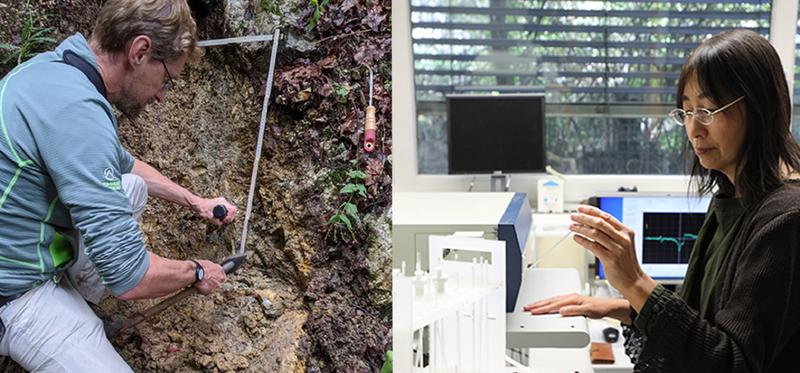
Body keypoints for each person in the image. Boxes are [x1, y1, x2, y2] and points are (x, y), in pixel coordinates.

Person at [524, 29, 800, 372]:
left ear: (760, 109)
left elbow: (730, 362)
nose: (694, 129)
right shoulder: (732, 197)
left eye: (708, 110)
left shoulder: (785, 219)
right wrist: (619, 306)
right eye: (686, 112)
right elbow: (700, 320)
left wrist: (635, 281)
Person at [0, 0, 238, 371]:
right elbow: (131, 277)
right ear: (140, 51)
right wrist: (197, 270)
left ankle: (82, 297)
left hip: (21, 238)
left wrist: (196, 202)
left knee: (131, 187)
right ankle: (56, 317)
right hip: (13, 291)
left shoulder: (54, 72)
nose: (162, 95)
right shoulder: (76, 114)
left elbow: (124, 165)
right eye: (167, 80)